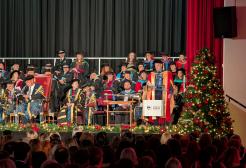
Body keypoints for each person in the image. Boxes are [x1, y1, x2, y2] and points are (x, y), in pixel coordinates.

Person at [145, 60, 174, 125]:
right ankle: (155, 127)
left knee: (164, 111)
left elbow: (171, 84)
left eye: (158, 65)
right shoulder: (151, 74)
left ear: (161, 65)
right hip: (154, 95)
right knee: (154, 111)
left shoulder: (168, 73)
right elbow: (148, 86)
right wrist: (148, 85)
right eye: (155, 65)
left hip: (164, 94)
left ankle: (163, 127)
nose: (157, 67)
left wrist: (170, 93)